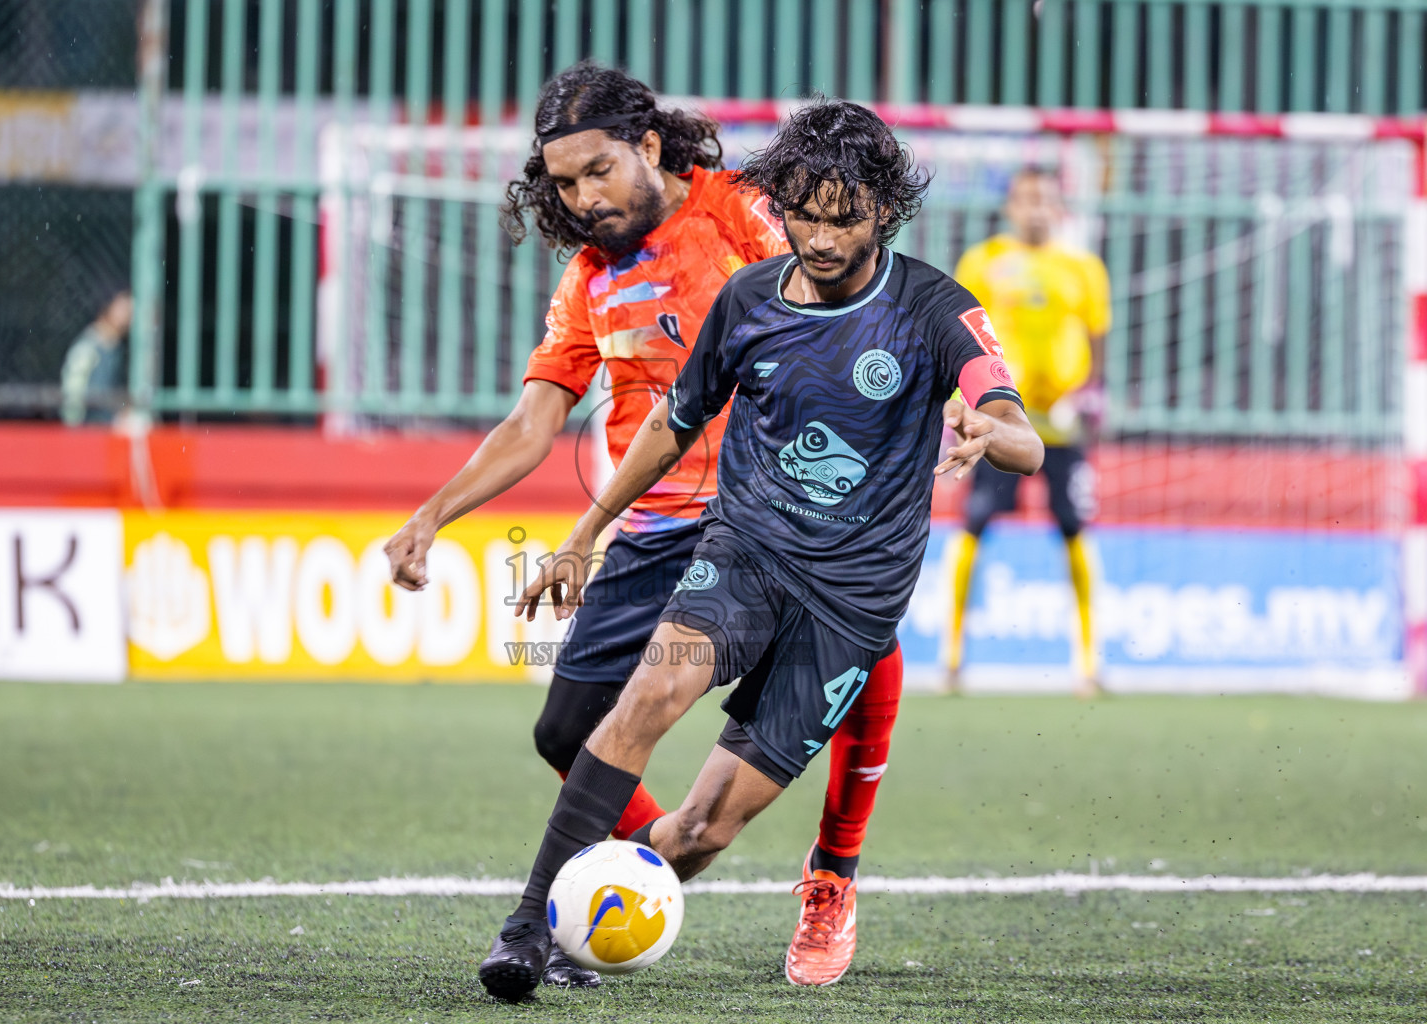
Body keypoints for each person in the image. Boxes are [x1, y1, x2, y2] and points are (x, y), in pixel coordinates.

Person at [478, 99, 1041, 1001]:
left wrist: (986, 430)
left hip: (850, 602)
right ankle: (528, 929)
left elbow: (1021, 433)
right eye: (803, 214)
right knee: (648, 693)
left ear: (883, 210)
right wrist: (588, 530)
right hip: (746, 555)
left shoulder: (935, 307)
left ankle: (608, 915)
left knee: (699, 831)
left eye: (843, 216)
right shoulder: (748, 301)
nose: (819, 237)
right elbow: (672, 424)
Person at [382, 65, 905, 990]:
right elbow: (533, 423)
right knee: (566, 730)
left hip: (764, 519)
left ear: (650, 147)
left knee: (870, 648)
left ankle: (829, 873)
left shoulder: (742, 213)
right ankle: (623, 888)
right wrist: (434, 515)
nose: (583, 200)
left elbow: (846, 289)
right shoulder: (589, 280)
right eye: (565, 184)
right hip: (653, 526)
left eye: (597, 172)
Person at [945, 167, 1112, 698]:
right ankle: (952, 660)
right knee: (974, 525)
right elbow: (959, 336)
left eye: (1046, 199)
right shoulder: (983, 262)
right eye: (1027, 199)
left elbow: (1096, 336)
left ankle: (1087, 665)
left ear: (1059, 207)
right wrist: (958, 409)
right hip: (1002, 425)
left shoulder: (1083, 268)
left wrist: (1092, 395)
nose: (1037, 208)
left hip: (1062, 427)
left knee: (1075, 528)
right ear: (1011, 207)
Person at [59, 290, 133, 427]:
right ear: (108, 307)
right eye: (123, 307)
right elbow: (72, 401)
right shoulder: (87, 348)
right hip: (89, 429)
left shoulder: (118, 349)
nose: (128, 314)